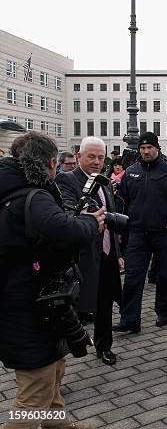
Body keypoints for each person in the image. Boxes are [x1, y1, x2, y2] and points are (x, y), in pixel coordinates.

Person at [0, 131, 104, 429]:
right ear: (49, 163)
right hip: (24, 307)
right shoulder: (32, 196)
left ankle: (58, 426)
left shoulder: (11, 190)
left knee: (53, 370)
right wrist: (89, 221)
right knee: (35, 391)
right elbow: (67, 231)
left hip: (23, 300)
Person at [114, 132, 167, 331]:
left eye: (150, 147)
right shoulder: (131, 172)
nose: (146, 151)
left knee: (164, 275)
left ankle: (163, 311)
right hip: (137, 234)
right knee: (132, 276)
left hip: (164, 233)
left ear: (157, 148)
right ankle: (129, 320)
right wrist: (119, 229)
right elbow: (121, 202)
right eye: (142, 148)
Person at [55, 137, 124, 366]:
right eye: (91, 157)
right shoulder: (66, 180)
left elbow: (111, 220)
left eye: (101, 157)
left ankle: (104, 346)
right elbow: (66, 214)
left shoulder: (104, 182)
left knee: (105, 303)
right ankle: (59, 363)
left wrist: (118, 253)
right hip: (81, 257)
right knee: (73, 309)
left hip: (107, 254)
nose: (97, 162)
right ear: (78, 157)